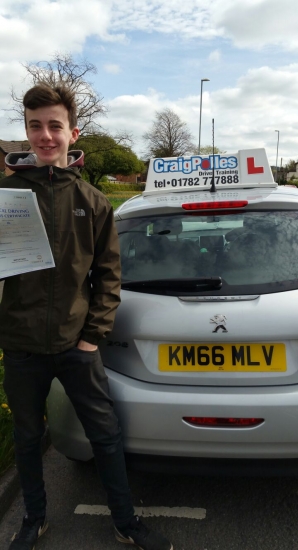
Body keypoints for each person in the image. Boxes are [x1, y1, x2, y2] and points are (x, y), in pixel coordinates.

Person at [0, 82, 173, 550]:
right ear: (27, 132)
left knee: (106, 434)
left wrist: (91, 338)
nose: (45, 136)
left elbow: (108, 277)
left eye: (54, 126)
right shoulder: (5, 197)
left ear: (72, 133)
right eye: (35, 126)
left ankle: (125, 521)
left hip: (78, 347)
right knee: (29, 435)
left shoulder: (94, 202)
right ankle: (34, 519)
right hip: (20, 344)